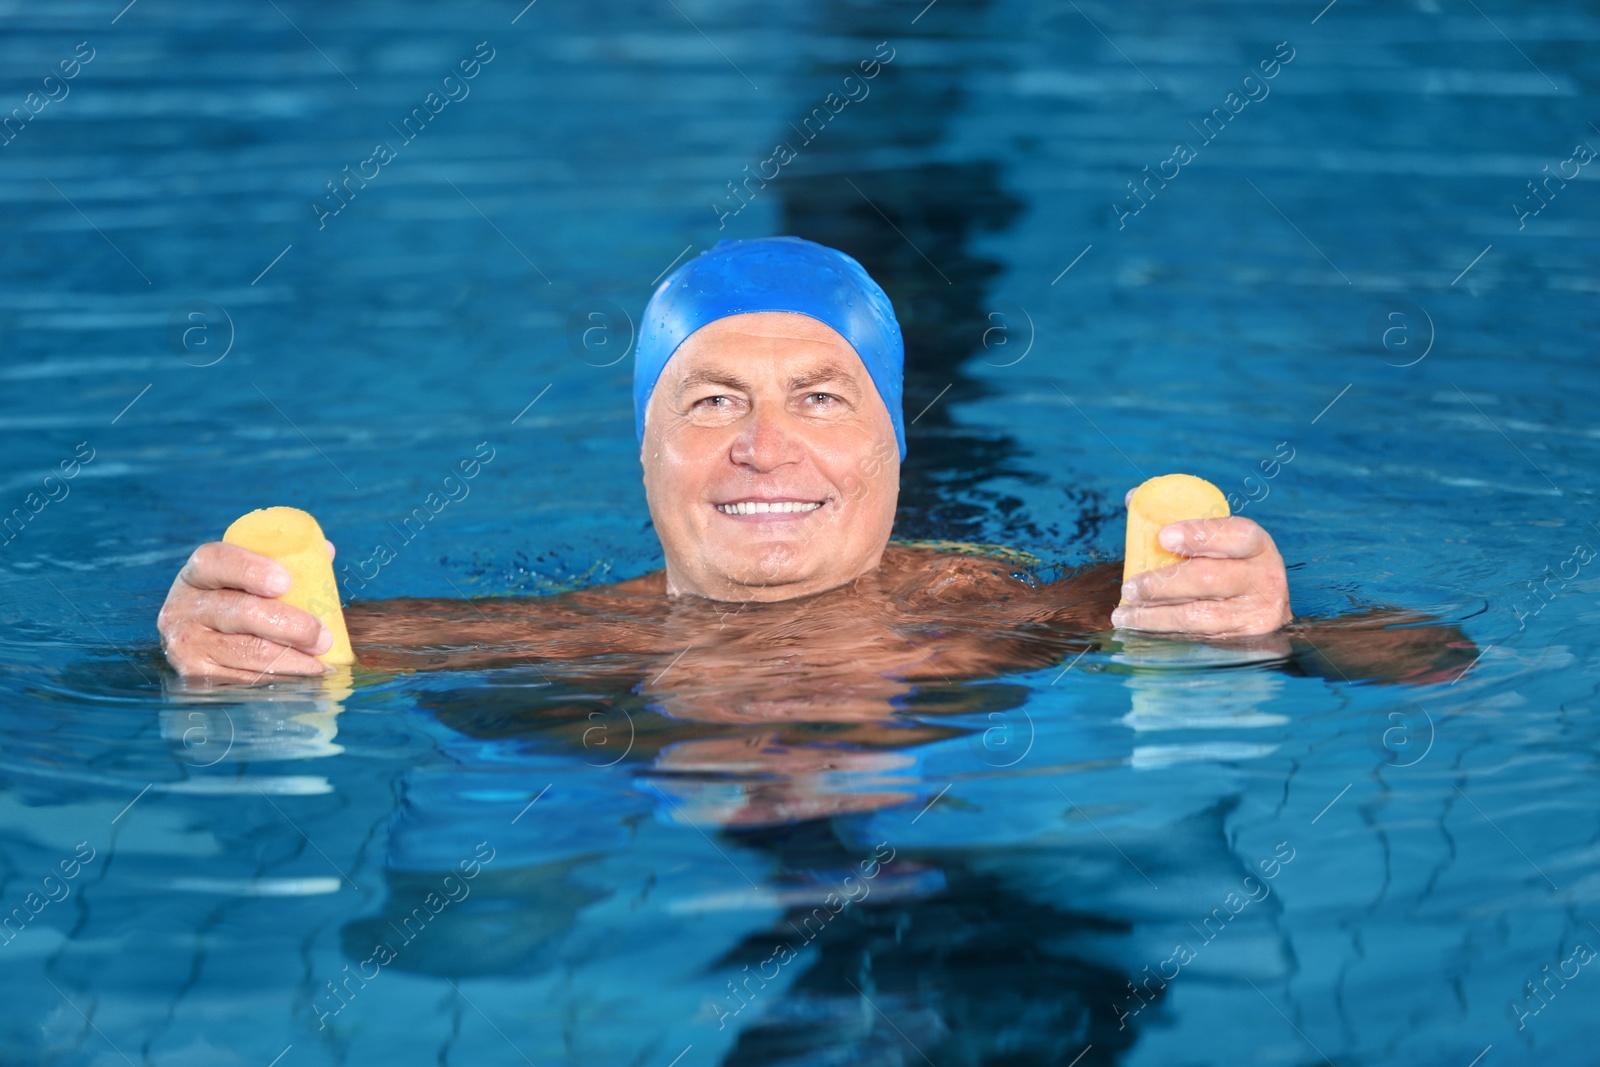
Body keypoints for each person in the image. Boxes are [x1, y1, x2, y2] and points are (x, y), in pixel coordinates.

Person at [157, 236, 1467, 696]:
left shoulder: (1018, 613)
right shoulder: (558, 639)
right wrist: (208, 639)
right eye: (711, 397)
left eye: (822, 397)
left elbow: (1430, 654)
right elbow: (283, 654)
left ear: (894, 443)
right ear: (648, 452)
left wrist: (1273, 623)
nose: (763, 449)